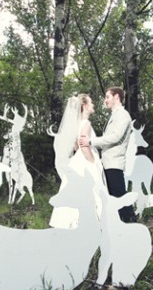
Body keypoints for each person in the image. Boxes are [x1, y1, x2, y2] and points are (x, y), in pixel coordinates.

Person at [79, 87, 136, 223]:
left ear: (117, 97)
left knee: (119, 196)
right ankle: (121, 223)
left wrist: (91, 142)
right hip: (108, 162)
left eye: (107, 97)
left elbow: (115, 137)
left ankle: (131, 222)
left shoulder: (122, 115)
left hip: (114, 162)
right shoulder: (115, 115)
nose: (105, 101)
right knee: (114, 197)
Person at [49, 94, 105, 229]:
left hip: (77, 160)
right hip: (86, 160)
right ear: (84, 106)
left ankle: (71, 222)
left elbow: (75, 146)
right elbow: (83, 146)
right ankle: (94, 221)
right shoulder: (86, 124)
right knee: (92, 190)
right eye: (91, 103)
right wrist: (92, 161)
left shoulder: (76, 125)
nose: (93, 105)